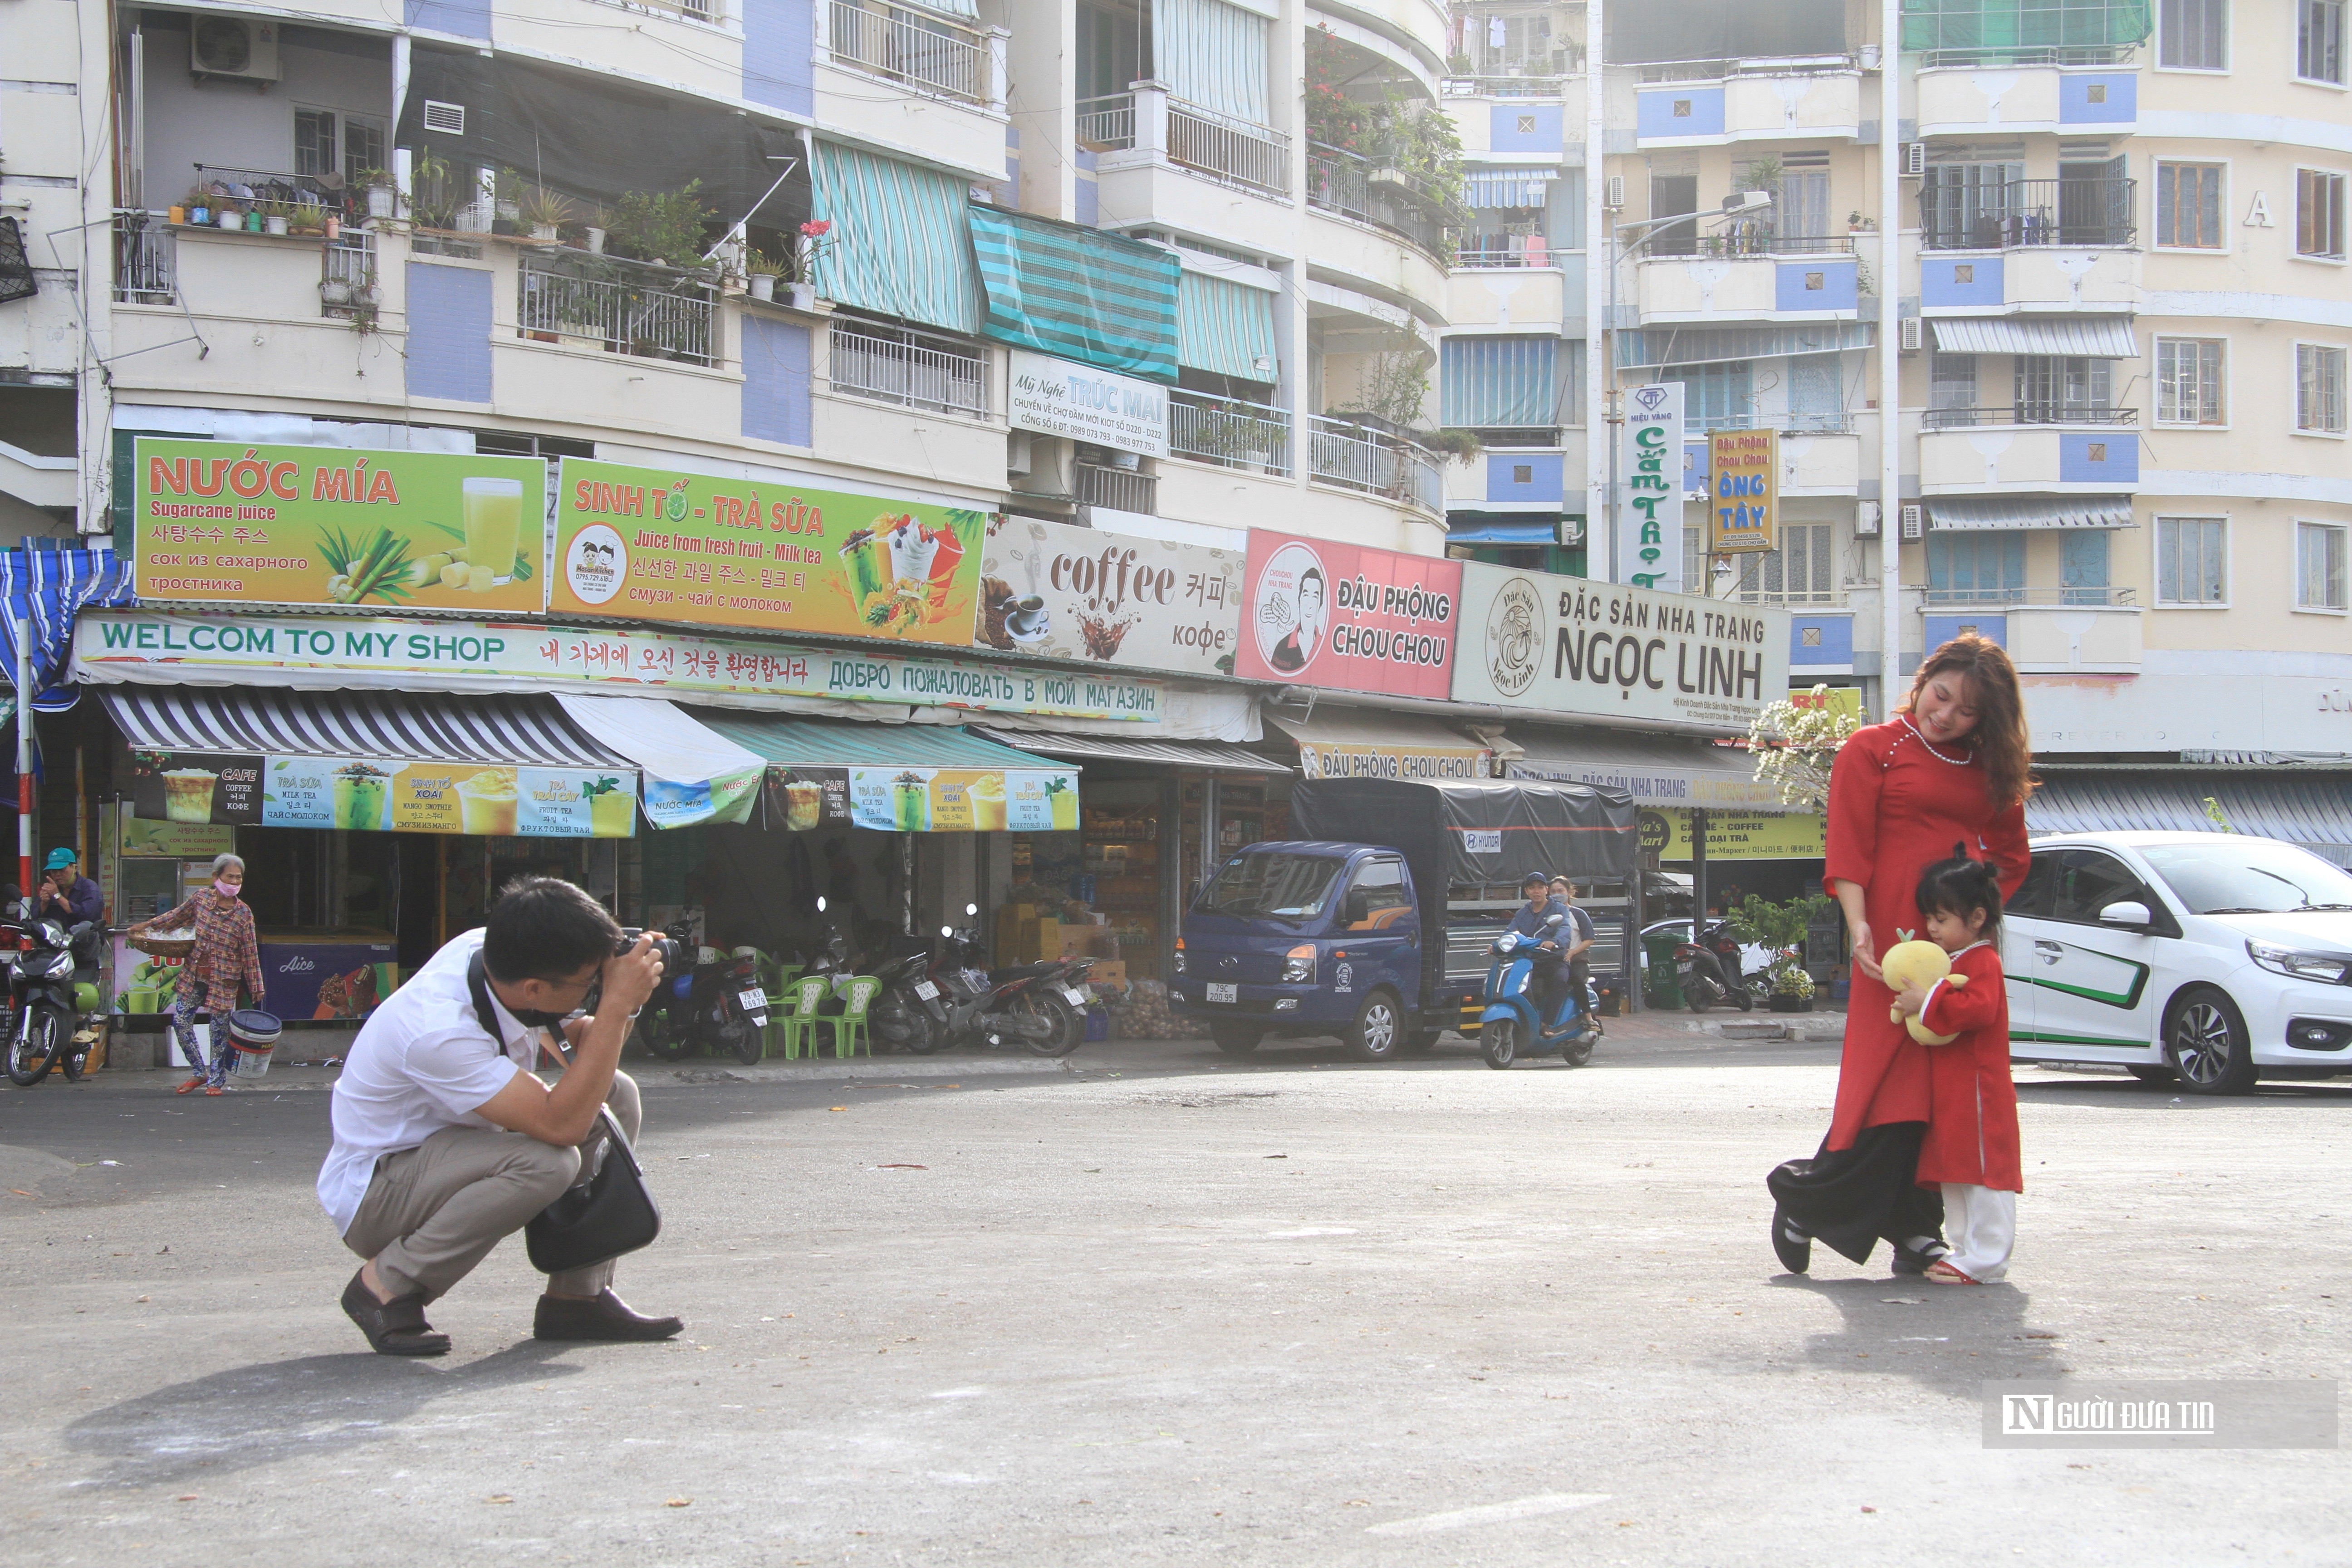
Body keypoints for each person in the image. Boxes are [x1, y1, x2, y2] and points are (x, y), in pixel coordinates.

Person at [319, 876, 680, 1356]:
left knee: (616, 1093)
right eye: (588, 982)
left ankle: (578, 1298)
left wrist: (623, 1001)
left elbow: (583, 1048)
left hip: (455, 1154)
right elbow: (563, 1126)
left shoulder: (496, 956)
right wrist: (617, 1004)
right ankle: (385, 1286)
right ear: (533, 987)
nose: (594, 988)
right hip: (381, 1190)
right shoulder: (440, 1031)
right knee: (548, 1161)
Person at [1766, 635, 2032, 1276]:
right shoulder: (1873, 748)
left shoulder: (1987, 767)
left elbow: (2012, 857)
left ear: (1985, 720)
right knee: (1885, 1082)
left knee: (1942, 1088)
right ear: (1925, 678)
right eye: (1942, 696)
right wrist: (1859, 928)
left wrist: (1971, 923)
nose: (1947, 716)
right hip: (1890, 947)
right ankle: (1811, 1197)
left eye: (1967, 711)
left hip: (1951, 950)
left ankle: (1913, 1227)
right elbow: (1850, 849)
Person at [1892, 847, 2021, 1285]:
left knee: (1985, 1175)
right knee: (1959, 1172)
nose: (1932, 929)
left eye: (1942, 919)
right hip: (1958, 1088)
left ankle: (1987, 1258)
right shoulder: (1957, 961)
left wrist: (1924, 1000)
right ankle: (1966, 1251)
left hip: (1980, 1089)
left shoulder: (1983, 961)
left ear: (1977, 918)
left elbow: (1978, 1010)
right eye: (1930, 918)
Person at [129, 853, 265, 1098]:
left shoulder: (244, 914)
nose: (234, 883)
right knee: (181, 1022)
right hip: (194, 975)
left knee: (218, 1031)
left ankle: (216, 1079)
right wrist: (146, 926)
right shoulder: (201, 899)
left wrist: (256, 987)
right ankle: (198, 1071)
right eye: (229, 877)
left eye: (238, 879)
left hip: (224, 980)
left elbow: (250, 953)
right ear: (216, 877)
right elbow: (175, 918)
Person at [1505, 872, 1572, 1024]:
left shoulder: (1559, 910)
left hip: (1554, 959)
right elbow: (1511, 931)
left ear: (1546, 890)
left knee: (1560, 980)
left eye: (1540, 888)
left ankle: (1548, 1023)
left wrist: (1554, 942)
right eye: (1532, 888)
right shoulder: (1523, 913)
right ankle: (1525, 1021)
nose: (1536, 891)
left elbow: (1565, 930)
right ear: (1527, 891)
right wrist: (1498, 944)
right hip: (1530, 961)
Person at [1548, 876, 1597, 1018]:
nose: (1557, 894)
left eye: (1561, 891)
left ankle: (1588, 1017)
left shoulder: (1578, 914)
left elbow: (1589, 939)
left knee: (1575, 979)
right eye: (1553, 891)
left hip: (1577, 961)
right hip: (1554, 961)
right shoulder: (1547, 916)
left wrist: (1572, 953)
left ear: (1569, 892)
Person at [1268, 568, 1324, 673]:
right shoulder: (1282, 648)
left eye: (1315, 597)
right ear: (1299, 601)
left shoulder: (1326, 648)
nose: (1309, 605)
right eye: (1306, 595)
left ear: (1320, 605)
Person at [37, 848, 101, 926]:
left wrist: (58, 896)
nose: (58, 874)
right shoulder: (50, 889)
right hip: (56, 937)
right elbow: (35, 918)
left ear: (75, 868)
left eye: (62, 870)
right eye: (54, 871)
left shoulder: (90, 888)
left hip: (85, 937)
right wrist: (44, 903)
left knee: (85, 926)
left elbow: (87, 916)